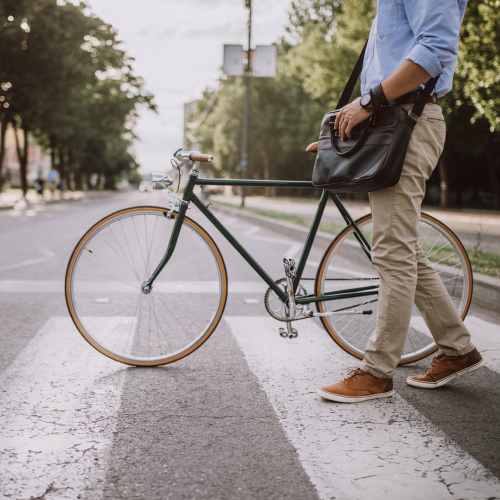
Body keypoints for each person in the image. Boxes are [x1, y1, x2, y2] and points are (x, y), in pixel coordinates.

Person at [319, 0, 482, 403]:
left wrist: (368, 102)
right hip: (391, 123)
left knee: (392, 250)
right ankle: (456, 348)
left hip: (408, 122)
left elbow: (435, 48)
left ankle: (377, 371)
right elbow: (386, 71)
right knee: (402, 247)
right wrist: (344, 131)